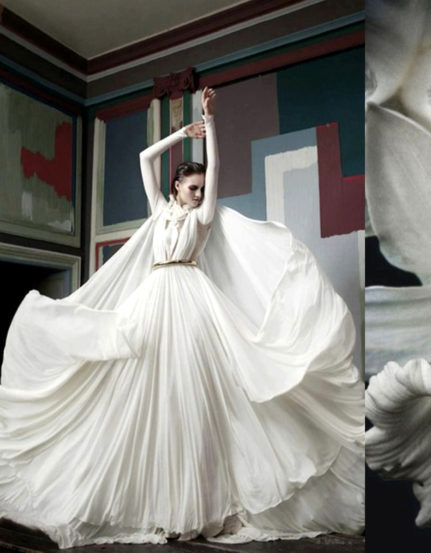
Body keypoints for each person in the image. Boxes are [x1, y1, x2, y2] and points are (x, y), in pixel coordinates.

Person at [0, 86, 364, 548]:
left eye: (199, 190)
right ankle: (158, 505)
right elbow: (143, 158)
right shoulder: (159, 212)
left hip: (191, 301)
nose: (196, 195)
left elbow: (215, 178)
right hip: (155, 299)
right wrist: (180, 135)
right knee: (148, 391)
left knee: (193, 397)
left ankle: (199, 510)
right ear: (175, 188)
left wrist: (209, 124)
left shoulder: (201, 218)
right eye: (190, 189)